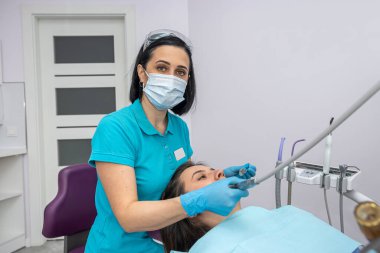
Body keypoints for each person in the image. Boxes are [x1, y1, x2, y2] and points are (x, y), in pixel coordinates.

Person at [84, 29, 256, 253]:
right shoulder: (116, 128)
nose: (172, 78)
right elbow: (128, 217)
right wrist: (201, 199)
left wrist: (220, 177)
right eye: (162, 68)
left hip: (167, 243)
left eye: (181, 72)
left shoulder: (179, 128)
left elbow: (184, 182)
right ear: (142, 73)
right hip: (119, 246)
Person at [160, 161, 362, 253]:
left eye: (214, 170)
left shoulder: (287, 214)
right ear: (190, 214)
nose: (219, 172)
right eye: (202, 177)